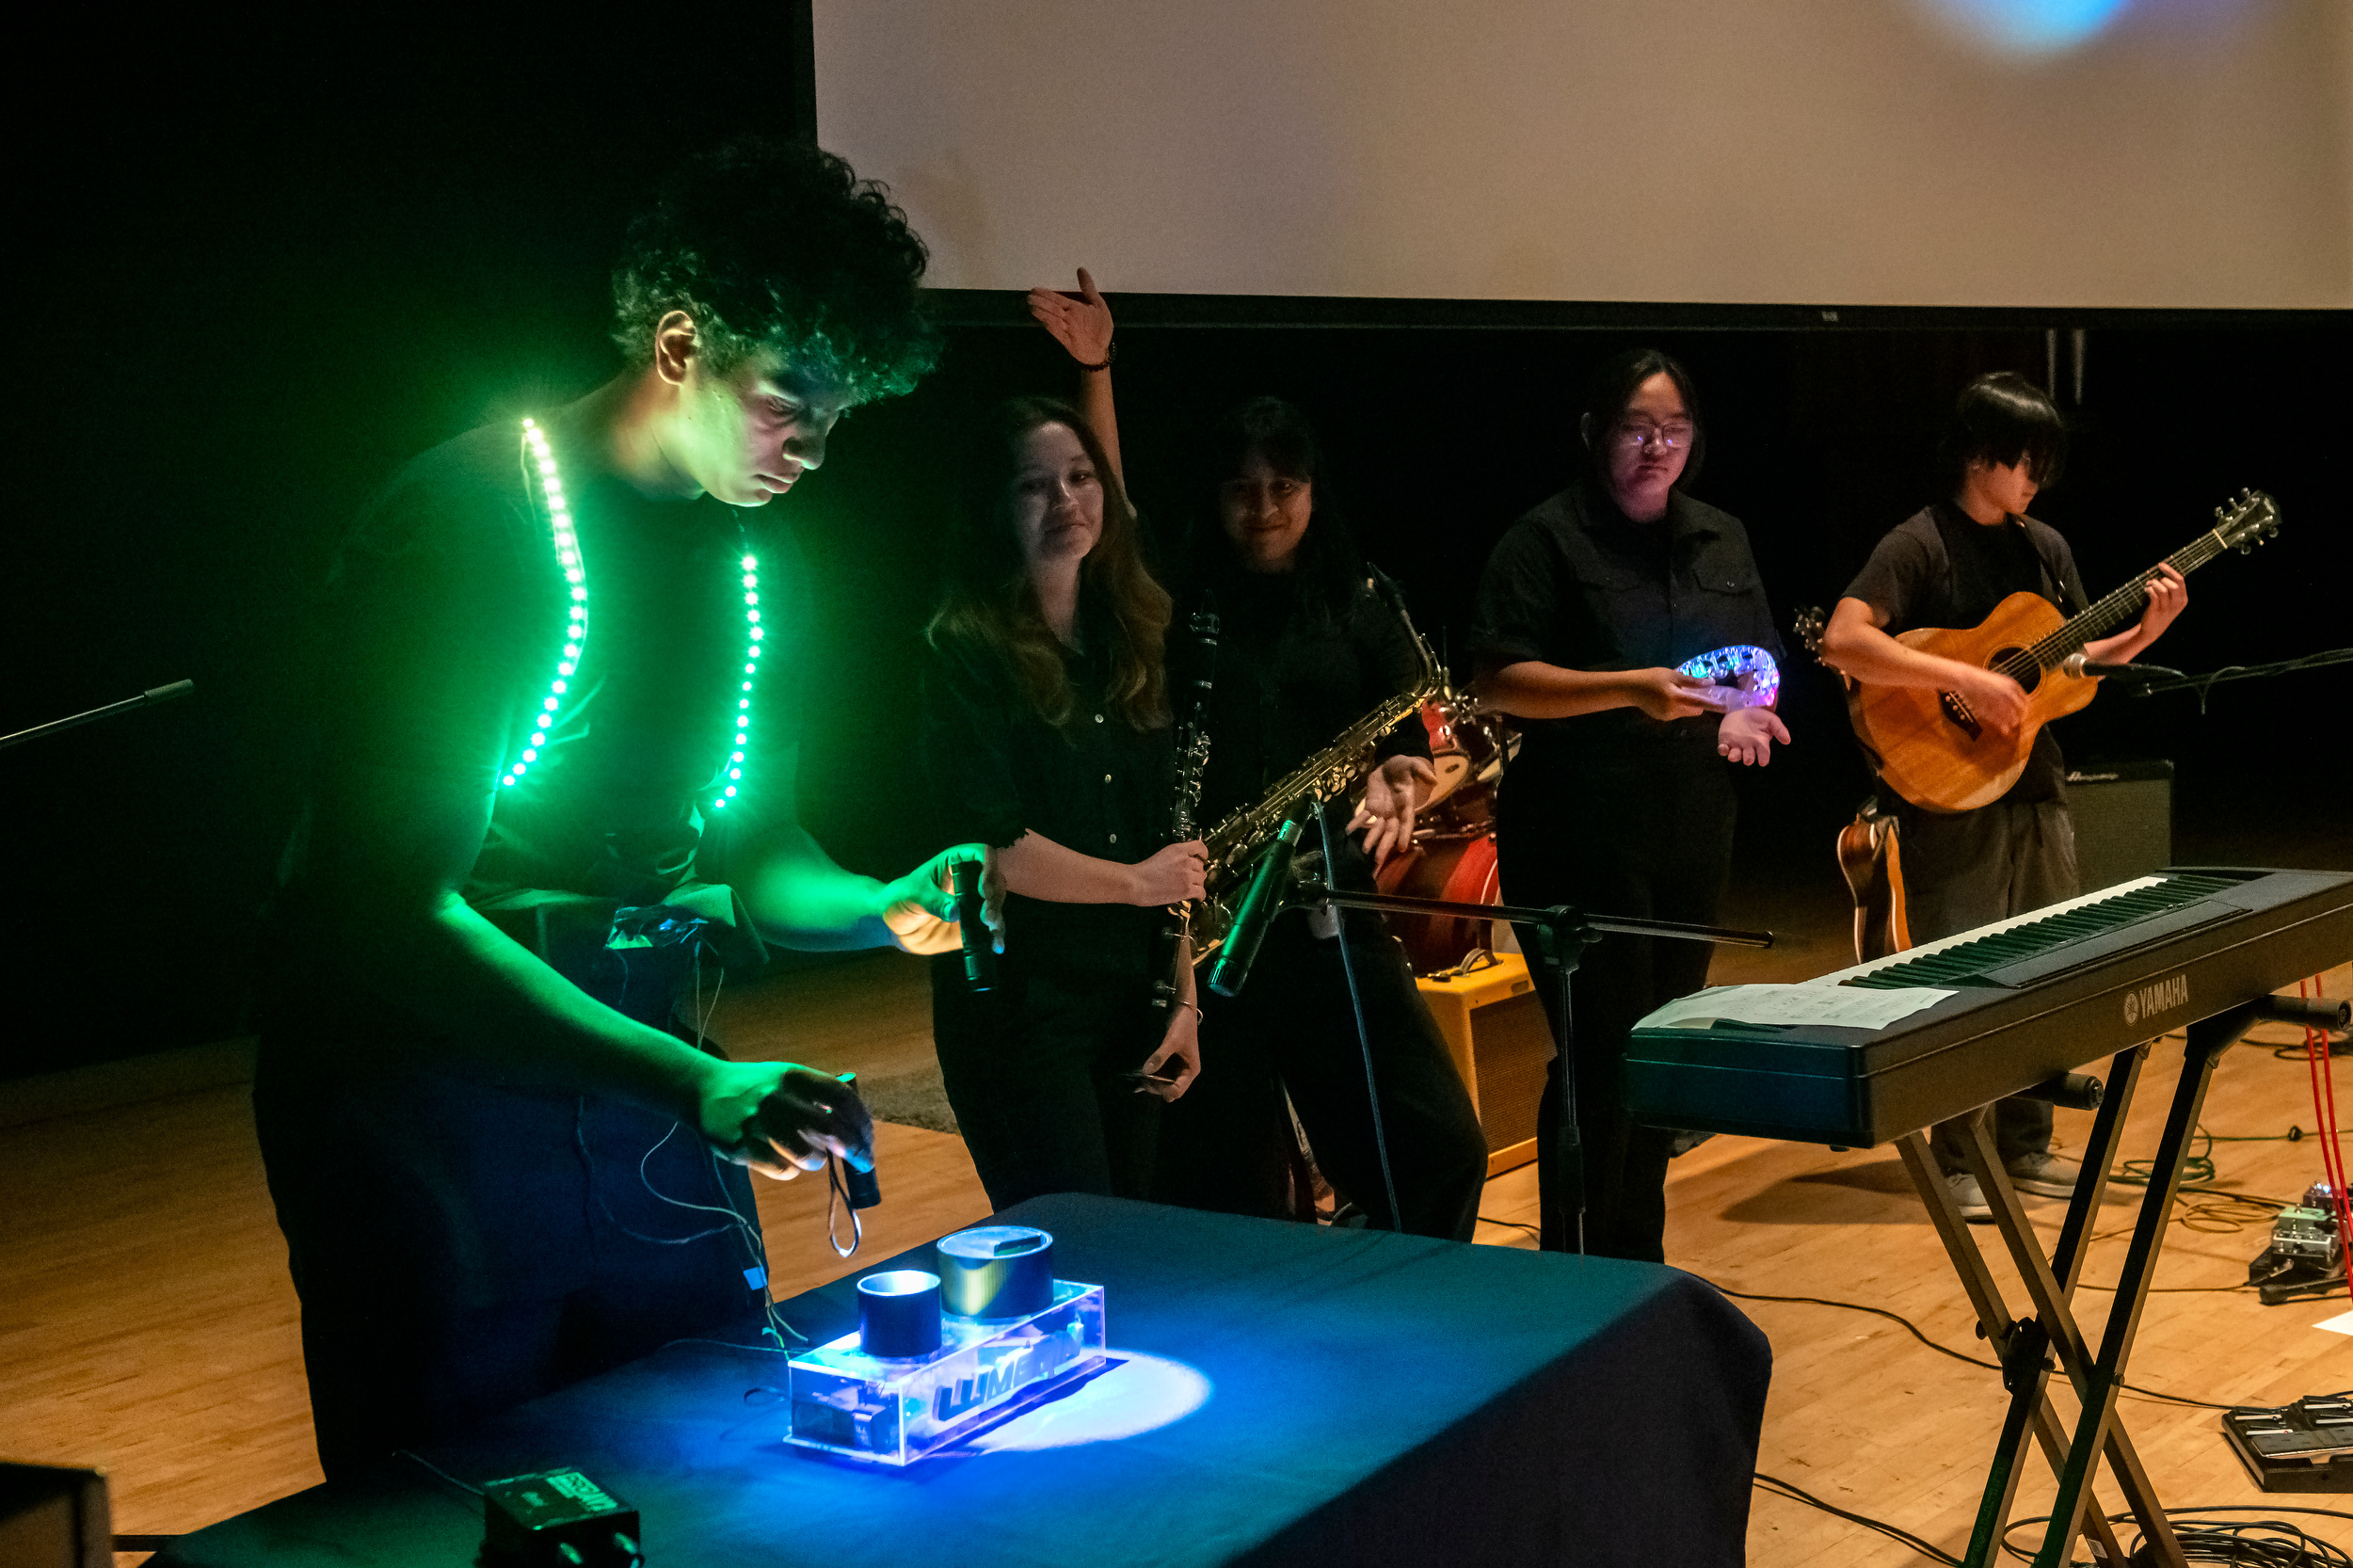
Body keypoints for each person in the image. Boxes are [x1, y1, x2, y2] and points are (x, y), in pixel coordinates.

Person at [257, 140, 978, 1480]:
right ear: (679, 339)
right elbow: (386, 913)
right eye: (788, 401)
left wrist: (882, 906)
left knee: (697, 1457)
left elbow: (757, 851)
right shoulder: (474, 524)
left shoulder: (746, 567)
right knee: (465, 1495)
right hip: (428, 1113)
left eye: (839, 417)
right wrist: (693, 1078)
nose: (812, 448)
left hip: (640, 1083)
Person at [1026, 272, 1488, 1239]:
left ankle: (1398, 1311)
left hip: (1329, 917)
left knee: (1438, 1147)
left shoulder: (1361, 596)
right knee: (1231, 1195)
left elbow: (1424, 743)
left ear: (1315, 490)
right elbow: (1109, 503)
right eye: (1241, 488)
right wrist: (1098, 369)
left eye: (1284, 487)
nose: (1264, 508)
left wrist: (1403, 775)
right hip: (1207, 931)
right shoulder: (1177, 594)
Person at [1818, 370, 2186, 1220]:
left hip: (2035, 783)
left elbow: (2075, 668)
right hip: (1946, 793)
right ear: (1979, 453)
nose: (2035, 479)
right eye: (2025, 460)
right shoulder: (1918, 544)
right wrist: (1962, 678)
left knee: (2046, 962)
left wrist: (2144, 633)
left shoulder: (2044, 548)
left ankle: (2025, 1144)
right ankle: (1958, 1156)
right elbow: (1845, 642)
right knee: (1968, 972)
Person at [1468, 347, 1789, 1261]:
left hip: (1689, 823)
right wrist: (1629, 689)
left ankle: (1634, 1259)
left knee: (1663, 1053)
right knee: (1600, 1057)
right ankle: (1574, 1268)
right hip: (1574, 827)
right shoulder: (1544, 541)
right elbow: (1498, 678)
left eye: (1674, 429)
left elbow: (1754, 666)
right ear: (1593, 432)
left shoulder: (1719, 534)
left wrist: (1747, 720)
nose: (1656, 445)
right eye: (1636, 428)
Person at [918, 395, 1208, 1212]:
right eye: (1034, 487)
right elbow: (996, 844)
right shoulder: (963, 648)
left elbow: (1171, 849)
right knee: (1075, 1249)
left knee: (1137, 1245)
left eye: (1081, 478)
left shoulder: (1134, 635)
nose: (1067, 502)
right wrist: (1139, 884)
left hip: (1135, 990)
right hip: (1023, 1008)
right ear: (995, 508)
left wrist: (1182, 1000)